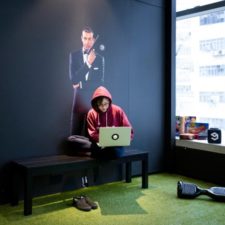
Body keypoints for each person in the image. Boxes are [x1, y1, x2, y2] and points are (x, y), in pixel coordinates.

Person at [69, 26, 104, 135]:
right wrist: (88, 64)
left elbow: (100, 83)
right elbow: (73, 79)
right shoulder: (73, 56)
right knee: (75, 133)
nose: (87, 41)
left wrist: (80, 84)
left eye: (90, 39)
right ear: (81, 38)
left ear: (93, 39)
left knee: (91, 134)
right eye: (85, 38)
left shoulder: (100, 59)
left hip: (93, 100)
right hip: (78, 100)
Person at [86, 86, 134, 159]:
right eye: (100, 104)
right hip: (99, 145)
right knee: (95, 151)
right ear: (96, 104)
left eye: (106, 104)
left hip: (115, 145)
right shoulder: (91, 113)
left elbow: (129, 130)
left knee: (115, 152)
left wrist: (125, 139)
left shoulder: (118, 110)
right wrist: (104, 139)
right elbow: (92, 133)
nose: (104, 107)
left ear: (109, 101)